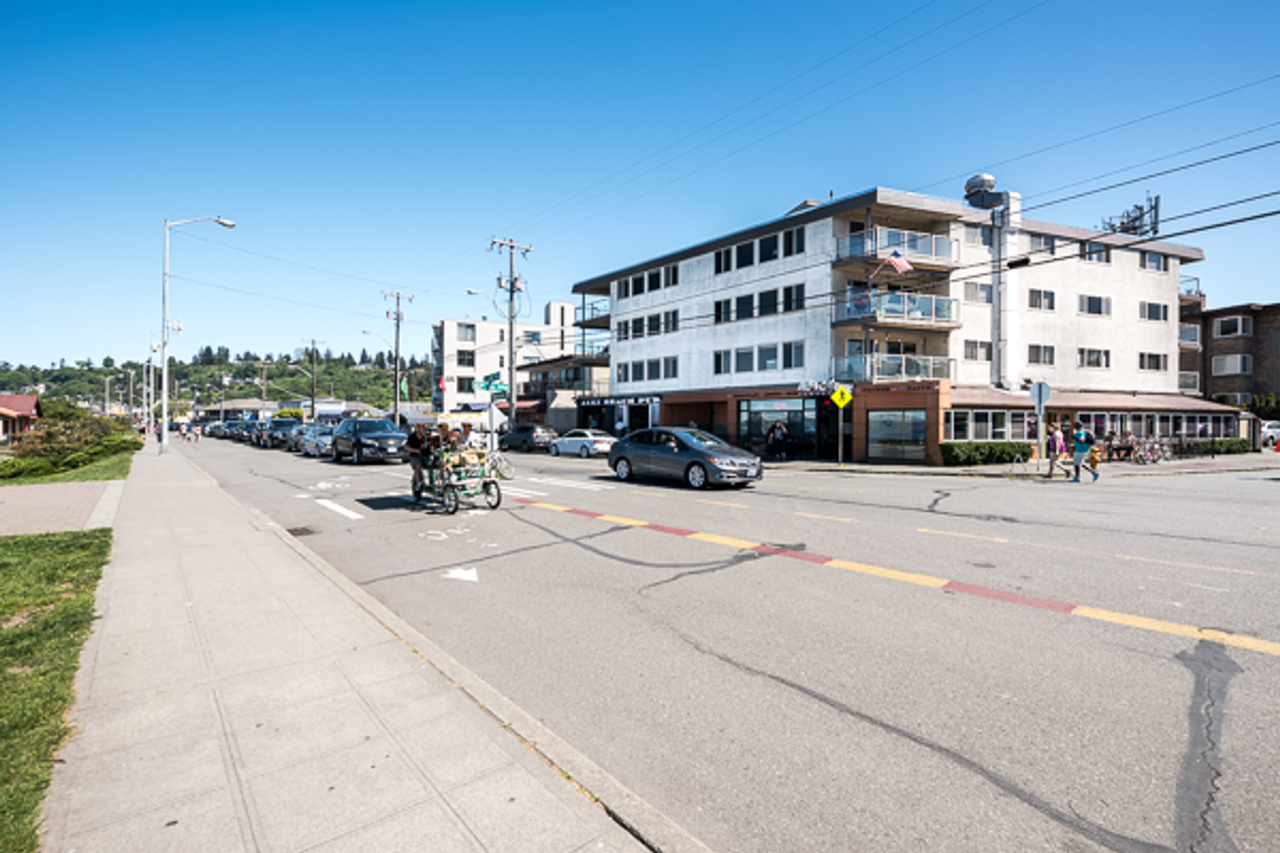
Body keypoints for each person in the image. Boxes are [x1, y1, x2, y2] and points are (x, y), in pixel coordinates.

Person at [406, 422, 428, 499]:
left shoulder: (426, 436)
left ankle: (438, 483)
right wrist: (415, 450)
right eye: (419, 426)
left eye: (423, 426)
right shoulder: (412, 437)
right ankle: (418, 483)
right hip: (414, 457)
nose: (421, 428)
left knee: (436, 464)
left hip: (425, 456)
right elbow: (407, 447)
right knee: (418, 465)